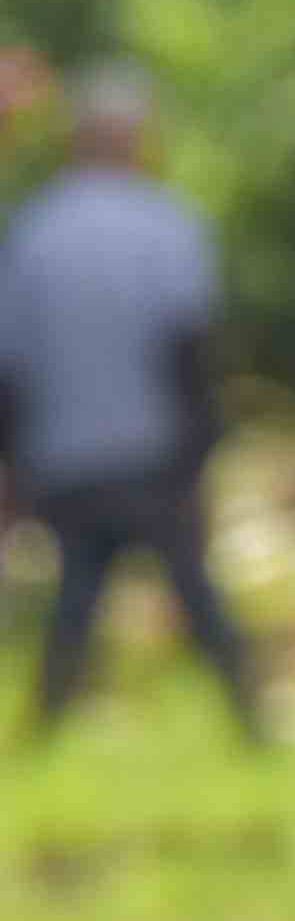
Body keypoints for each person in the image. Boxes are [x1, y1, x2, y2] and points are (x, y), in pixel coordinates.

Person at [1, 65, 262, 736]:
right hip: (150, 448)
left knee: (76, 599)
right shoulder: (167, 226)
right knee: (195, 594)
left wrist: (16, 460)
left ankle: (44, 727)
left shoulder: (33, 231)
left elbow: (13, 367)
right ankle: (251, 719)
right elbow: (189, 348)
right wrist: (200, 446)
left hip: (65, 453)